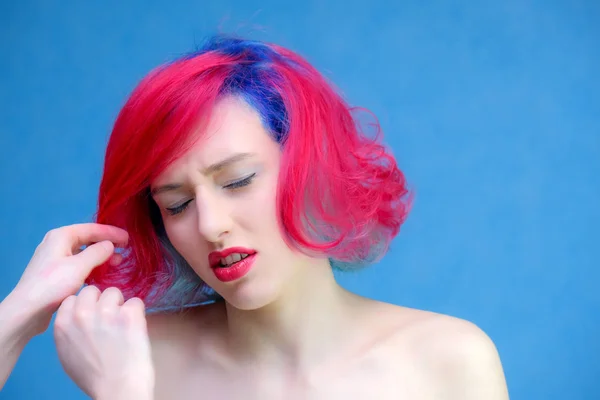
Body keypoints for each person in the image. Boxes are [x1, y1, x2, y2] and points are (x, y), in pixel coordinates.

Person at [0, 35, 509, 399]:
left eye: (238, 180)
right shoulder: (132, 356)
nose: (209, 225)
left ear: (310, 169)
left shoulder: (447, 362)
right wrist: (17, 317)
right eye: (176, 204)